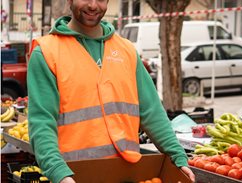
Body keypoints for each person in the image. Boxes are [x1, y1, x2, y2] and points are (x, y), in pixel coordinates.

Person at [27, 0, 195, 183]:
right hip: (73, 175)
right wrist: (58, 173)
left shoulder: (126, 51)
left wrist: (177, 156)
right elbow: (42, 122)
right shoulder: (46, 52)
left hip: (127, 174)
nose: (93, 5)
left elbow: (152, 111)